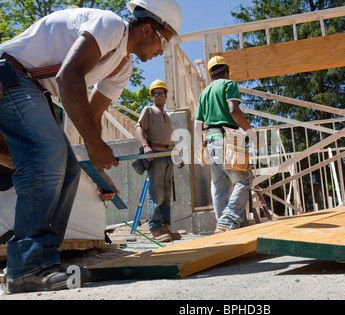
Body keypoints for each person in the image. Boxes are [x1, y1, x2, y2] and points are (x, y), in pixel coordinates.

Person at [0, 0, 182, 293]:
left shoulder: (123, 66)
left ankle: (44, 261)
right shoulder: (110, 25)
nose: (162, 51)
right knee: (45, 154)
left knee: (70, 171)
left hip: (31, 88)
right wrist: (95, 145)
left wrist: (99, 169)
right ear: (148, 29)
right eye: (164, 42)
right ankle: (27, 265)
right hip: (9, 74)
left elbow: (93, 114)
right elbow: (68, 76)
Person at [194, 56, 260, 234]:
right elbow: (233, 110)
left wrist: (200, 146)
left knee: (219, 186)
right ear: (227, 71)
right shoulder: (228, 85)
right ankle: (228, 220)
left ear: (210, 74)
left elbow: (197, 124)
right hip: (227, 137)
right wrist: (251, 132)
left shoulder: (204, 93)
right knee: (243, 180)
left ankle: (223, 226)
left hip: (210, 140)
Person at [135, 79, 184, 242]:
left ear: (165, 96)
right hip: (155, 155)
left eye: (162, 93)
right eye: (156, 93)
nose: (159, 96)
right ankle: (156, 229)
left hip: (167, 155)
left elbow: (169, 140)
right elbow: (139, 128)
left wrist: (176, 155)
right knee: (156, 193)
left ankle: (165, 228)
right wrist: (145, 146)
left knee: (166, 194)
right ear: (152, 96)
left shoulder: (166, 116)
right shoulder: (148, 110)